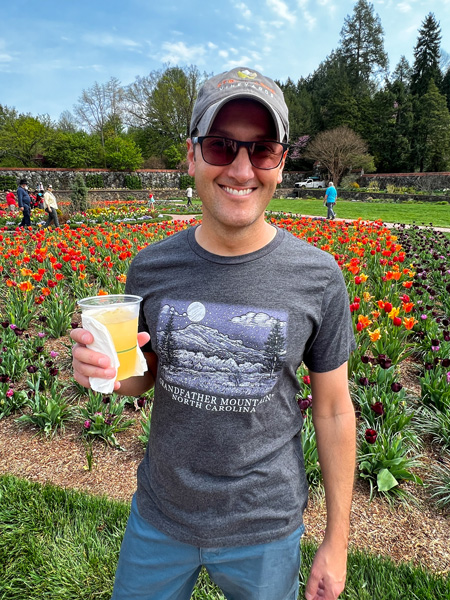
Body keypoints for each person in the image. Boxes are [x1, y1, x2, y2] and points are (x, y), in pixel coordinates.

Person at [72, 66, 356, 600]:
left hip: (266, 527)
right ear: (192, 156)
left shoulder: (319, 276)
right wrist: (105, 372)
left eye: (263, 149)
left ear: (281, 162)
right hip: (161, 514)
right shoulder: (151, 269)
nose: (243, 168)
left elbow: (335, 409)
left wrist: (336, 539)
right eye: (221, 146)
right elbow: (144, 376)